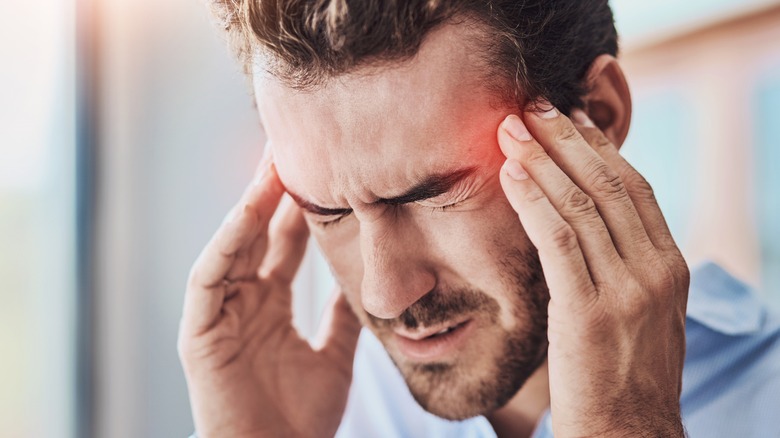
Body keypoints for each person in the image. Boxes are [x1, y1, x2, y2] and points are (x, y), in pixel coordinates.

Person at [178, 1, 780, 437]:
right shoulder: (328, 412)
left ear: (597, 115)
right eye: (329, 211)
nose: (385, 296)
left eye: (432, 194)